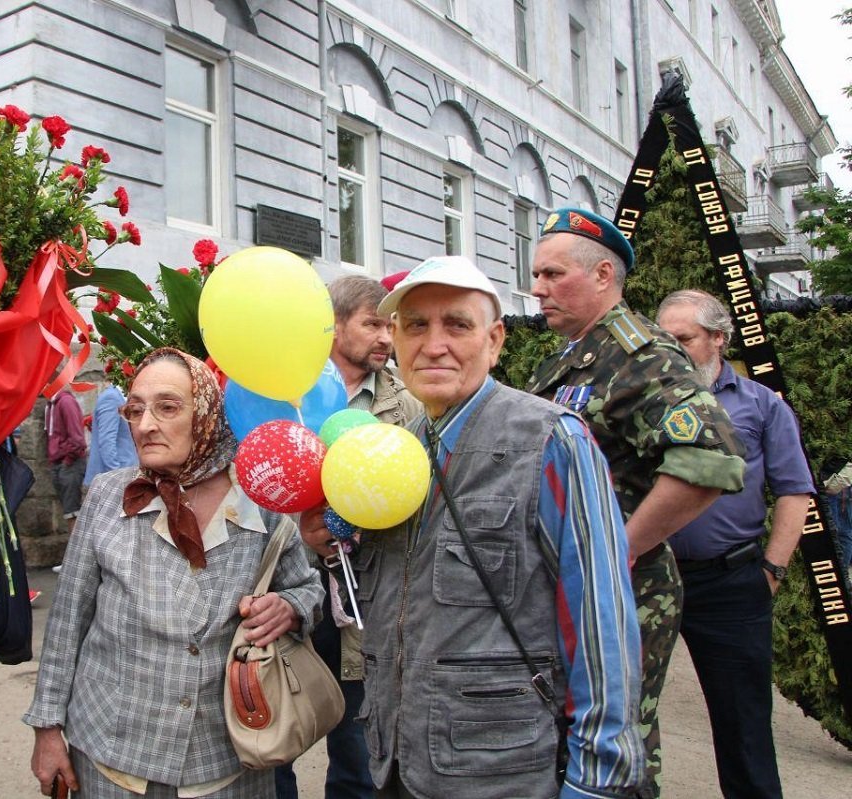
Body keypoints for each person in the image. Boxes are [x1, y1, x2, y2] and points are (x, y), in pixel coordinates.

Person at [316, 256, 644, 798]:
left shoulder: (551, 440)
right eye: (416, 325)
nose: (434, 344)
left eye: (458, 325)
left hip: (502, 771)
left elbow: (600, 622)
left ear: (494, 341)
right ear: (396, 340)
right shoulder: (396, 448)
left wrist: (596, 781)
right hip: (395, 765)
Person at [25, 347, 323, 798]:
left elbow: (307, 587)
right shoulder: (109, 496)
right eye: (135, 409)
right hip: (111, 757)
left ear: (205, 414)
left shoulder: (261, 498)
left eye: (167, 407)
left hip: (227, 760)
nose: (145, 425)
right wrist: (47, 730)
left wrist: (289, 607)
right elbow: (67, 622)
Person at [526, 208, 746, 795]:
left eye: (552, 274)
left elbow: (710, 461)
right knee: (568, 738)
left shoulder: (642, 353)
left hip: (624, 593)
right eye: (536, 275)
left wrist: (617, 551)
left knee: (615, 748)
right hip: (570, 586)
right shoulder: (573, 353)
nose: (537, 288)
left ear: (603, 275)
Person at [656, 289, 812, 799]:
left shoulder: (762, 406)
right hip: (647, 576)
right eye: (664, 340)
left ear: (719, 339)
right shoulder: (641, 397)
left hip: (730, 582)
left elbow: (794, 490)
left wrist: (771, 571)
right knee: (619, 710)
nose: (673, 351)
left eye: (685, 339)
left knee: (743, 725)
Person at [275, 275, 419, 799]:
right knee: (274, 737)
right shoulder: (287, 391)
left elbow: (415, 491)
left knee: (360, 750)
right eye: (373, 323)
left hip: (367, 597)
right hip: (286, 594)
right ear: (335, 328)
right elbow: (257, 485)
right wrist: (302, 532)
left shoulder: (407, 403)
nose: (386, 336)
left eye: (390, 325)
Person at [82, 382, 137, 490]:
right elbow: (107, 442)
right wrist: (117, 478)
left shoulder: (121, 397)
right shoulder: (111, 398)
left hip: (124, 475)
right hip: (113, 481)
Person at [47, 385, 87, 525]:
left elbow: (78, 439)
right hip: (59, 462)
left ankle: (78, 547)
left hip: (70, 462)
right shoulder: (51, 404)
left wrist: (67, 460)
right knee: (69, 512)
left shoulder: (66, 402)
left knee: (72, 513)